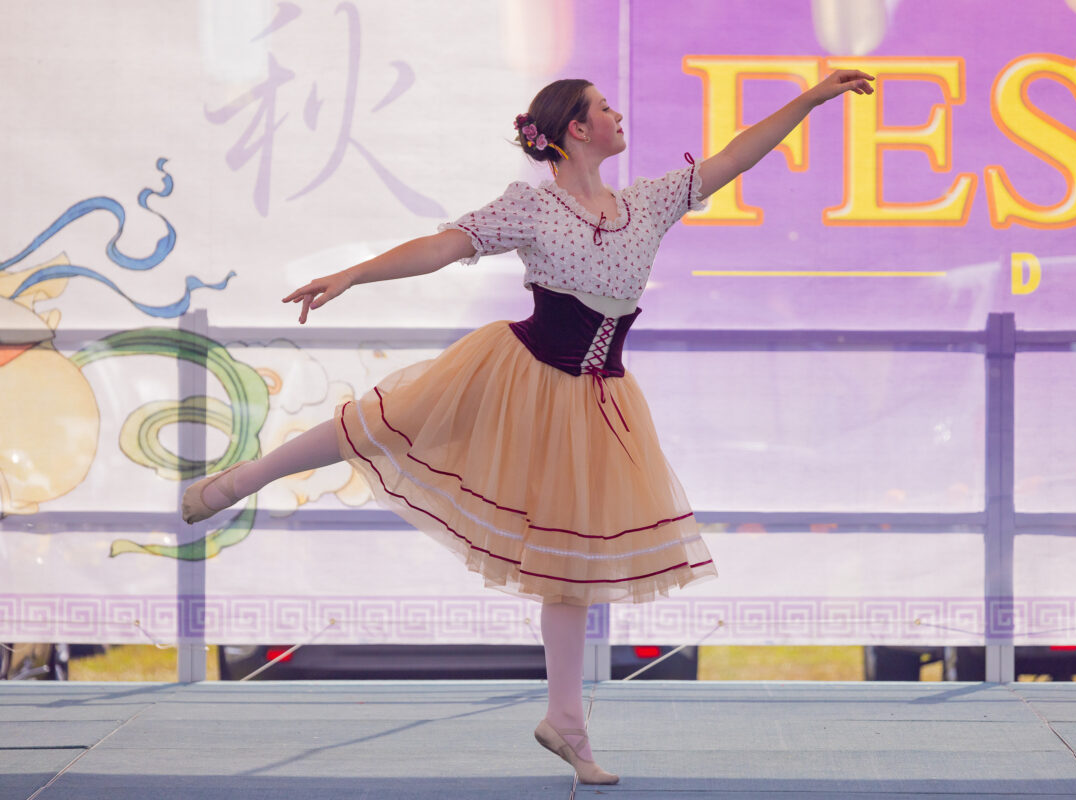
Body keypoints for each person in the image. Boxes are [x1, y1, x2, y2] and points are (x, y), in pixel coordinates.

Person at [181, 70, 874, 785]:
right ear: (576, 129)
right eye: (604, 108)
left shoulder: (646, 203)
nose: (616, 113)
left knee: (568, 567)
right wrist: (354, 275)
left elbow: (733, 157)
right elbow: (442, 246)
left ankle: (565, 723)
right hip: (518, 370)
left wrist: (809, 100)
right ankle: (237, 481)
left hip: (597, 402)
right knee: (380, 424)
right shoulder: (532, 209)